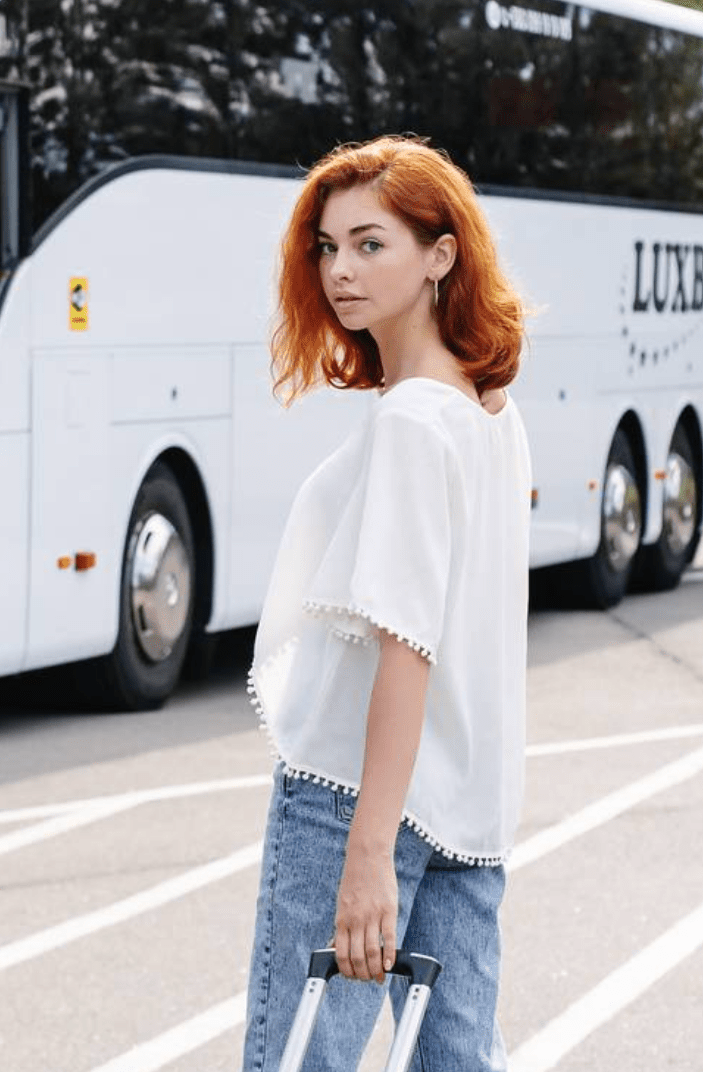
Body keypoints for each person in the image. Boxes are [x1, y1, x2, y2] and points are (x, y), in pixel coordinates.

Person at [242, 135, 531, 1071]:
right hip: (468, 804)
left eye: (372, 245)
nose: (340, 271)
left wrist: (367, 852)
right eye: (329, 247)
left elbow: (407, 642)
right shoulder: (489, 410)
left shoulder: (412, 420)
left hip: (356, 801)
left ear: (440, 255)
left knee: (299, 1061)